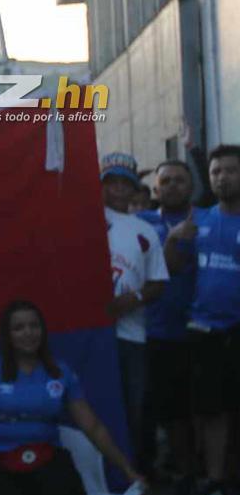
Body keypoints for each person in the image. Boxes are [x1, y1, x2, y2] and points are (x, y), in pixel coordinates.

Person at [0, 300, 144, 495]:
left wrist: (128, 470)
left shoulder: (59, 372)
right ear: (7, 335)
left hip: (45, 455)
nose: (28, 333)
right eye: (19, 328)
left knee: (67, 491)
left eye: (34, 326)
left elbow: (93, 426)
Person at [166, 144, 240, 495]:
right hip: (205, 331)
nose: (223, 177)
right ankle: (215, 482)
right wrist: (174, 238)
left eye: (230, 170)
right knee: (210, 411)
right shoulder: (202, 220)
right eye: (216, 172)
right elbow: (175, 267)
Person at [101, 151, 167, 471]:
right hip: (92, 330)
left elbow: (158, 283)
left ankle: (132, 478)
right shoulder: (84, 220)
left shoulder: (145, 230)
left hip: (131, 334)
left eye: (123, 183)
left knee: (133, 410)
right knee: (95, 407)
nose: (116, 189)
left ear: (134, 189)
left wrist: (135, 298)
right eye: (109, 182)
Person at [136, 160, 197, 495]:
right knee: (161, 409)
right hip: (154, 332)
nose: (173, 186)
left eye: (180, 180)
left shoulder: (205, 221)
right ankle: (159, 469)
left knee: (198, 410)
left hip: (199, 331)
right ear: (156, 189)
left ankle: (195, 470)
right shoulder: (142, 223)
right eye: (166, 181)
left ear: (191, 186)